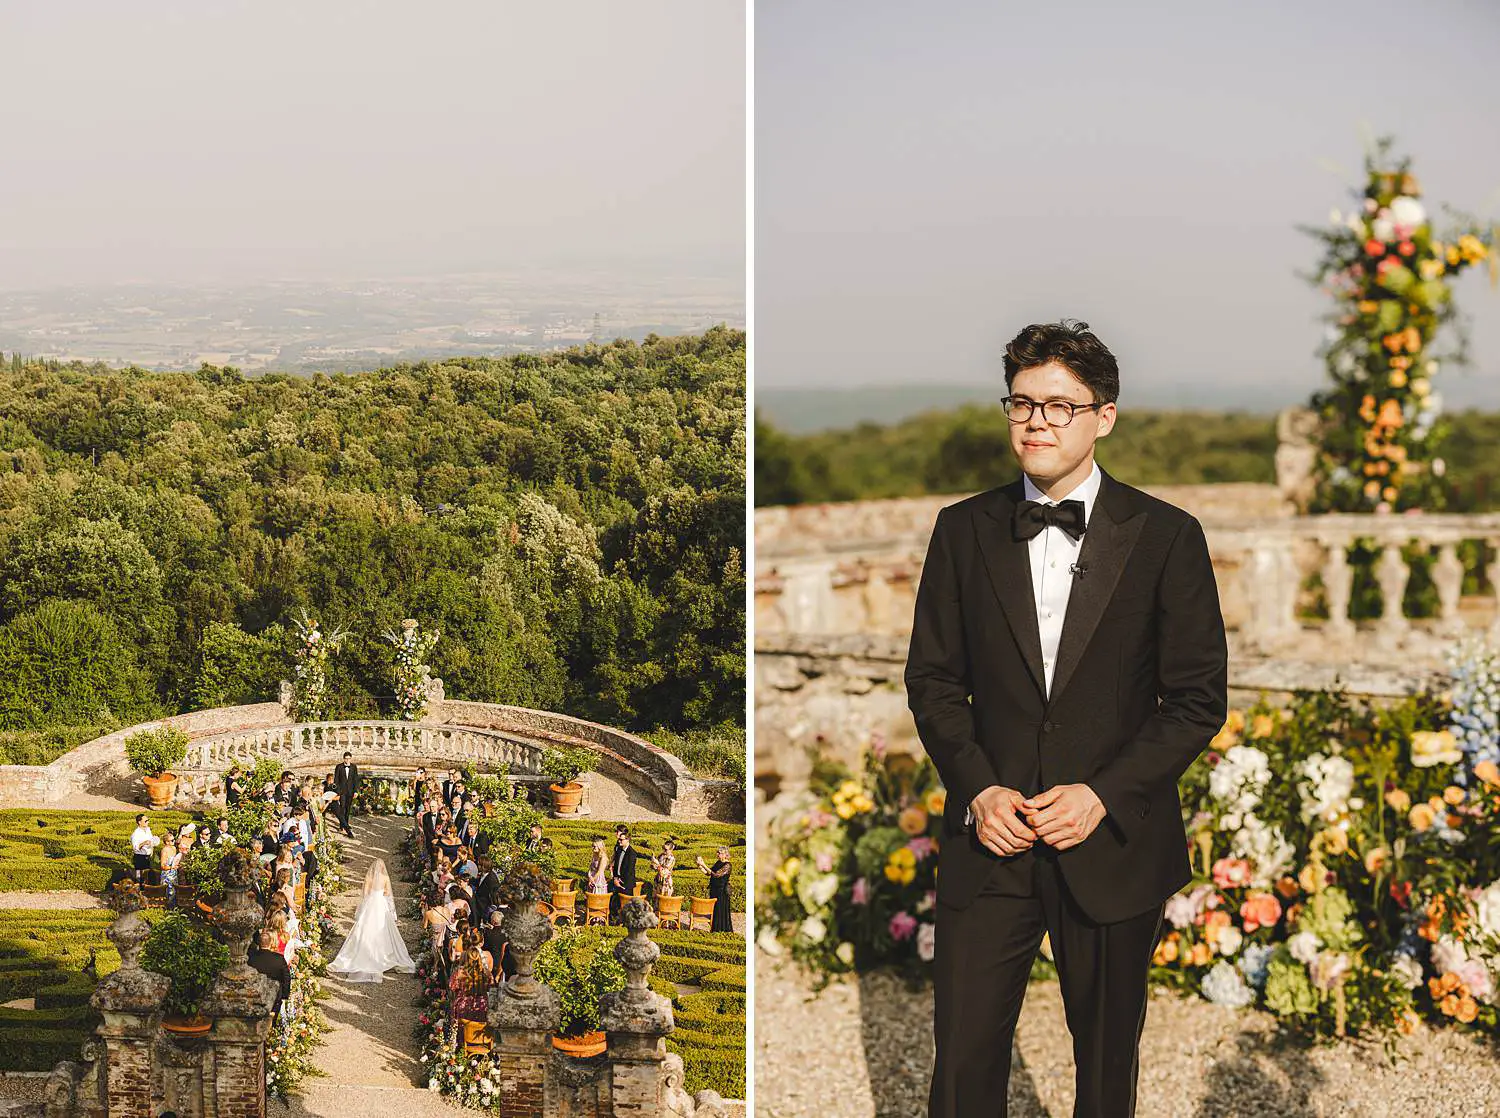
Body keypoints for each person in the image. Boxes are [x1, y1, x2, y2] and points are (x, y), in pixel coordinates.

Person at [903, 320, 1228, 1118]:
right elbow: (934, 682)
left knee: (1106, 1072)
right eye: (1021, 403)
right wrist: (978, 791)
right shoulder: (961, 530)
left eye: (1058, 406)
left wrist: (1103, 794)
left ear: (1103, 416)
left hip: (1112, 844)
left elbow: (1196, 700)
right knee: (963, 1065)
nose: (1036, 422)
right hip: (992, 839)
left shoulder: (1167, 537)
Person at [327, 859, 416, 982]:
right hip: (381, 903)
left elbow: (365, 893)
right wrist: (391, 910)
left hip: (371, 903)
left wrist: (364, 905)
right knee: (383, 928)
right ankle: (384, 955)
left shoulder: (369, 877)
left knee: (366, 927)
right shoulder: (385, 878)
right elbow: (388, 894)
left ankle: (364, 954)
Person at [248, 927, 292, 1017]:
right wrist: (284, 995)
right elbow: (286, 978)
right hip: (275, 996)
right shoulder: (278, 959)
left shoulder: (251, 958)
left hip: (255, 994)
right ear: (270, 942)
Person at [695, 847, 733, 933]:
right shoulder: (718, 862)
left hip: (722, 892)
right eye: (718, 853)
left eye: (719, 853)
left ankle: (721, 931)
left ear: (724, 854)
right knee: (714, 911)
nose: (717, 854)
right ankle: (714, 930)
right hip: (714, 890)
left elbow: (716, 875)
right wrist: (700, 866)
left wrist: (703, 864)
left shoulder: (728, 865)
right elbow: (709, 873)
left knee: (720, 911)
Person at [609, 829, 638, 922]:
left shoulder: (632, 853)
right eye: (619, 839)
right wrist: (615, 878)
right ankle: (615, 921)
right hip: (617, 881)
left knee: (627, 908)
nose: (619, 841)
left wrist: (620, 882)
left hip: (626, 884)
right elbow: (616, 866)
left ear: (627, 840)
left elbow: (629, 871)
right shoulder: (619, 850)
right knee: (614, 904)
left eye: (621, 840)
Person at [332, 752, 359, 838]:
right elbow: (336, 780)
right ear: (343, 759)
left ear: (351, 759)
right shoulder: (339, 767)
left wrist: (355, 791)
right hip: (342, 792)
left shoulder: (354, 767)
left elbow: (355, 779)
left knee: (348, 809)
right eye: (346, 758)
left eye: (349, 759)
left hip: (350, 791)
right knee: (342, 808)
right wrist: (338, 792)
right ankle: (342, 825)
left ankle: (346, 824)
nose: (347, 760)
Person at [130, 814, 161, 884]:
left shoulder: (148, 830)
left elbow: (151, 841)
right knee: (140, 878)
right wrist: (144, 843)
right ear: (139, 822)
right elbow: (135, 848)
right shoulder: (136, 834)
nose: (148, 822)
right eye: (146, 821)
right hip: (140, 858)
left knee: (149, 877)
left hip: (148, 856)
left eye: (148, 820)